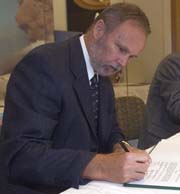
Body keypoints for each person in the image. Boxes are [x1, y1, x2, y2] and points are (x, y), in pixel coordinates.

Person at [0, 3, 151, 194]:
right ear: (99, 29)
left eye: (131, 57)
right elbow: (21, 156)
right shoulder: (43, 65)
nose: (123, 64)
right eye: (121, 49)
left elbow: (110, 130)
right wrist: (101, 165)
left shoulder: (102, 70)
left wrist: (122, 148)